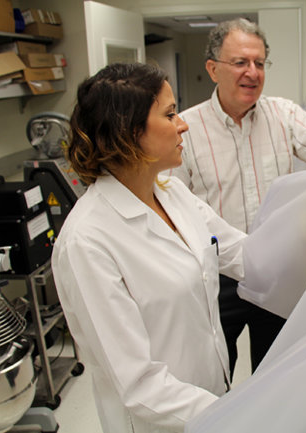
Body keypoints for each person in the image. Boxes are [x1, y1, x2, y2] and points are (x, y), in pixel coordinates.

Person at [51, 63, 246, 433]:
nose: (183, 124)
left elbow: (241, 253)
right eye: (170, 114)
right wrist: (236, 415)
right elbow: (139, 384)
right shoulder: (87, 241)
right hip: (159, 423)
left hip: (212, 401)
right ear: (128, 131)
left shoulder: (173, 194)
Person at [167, 18, 306, 376]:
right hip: (217, 276)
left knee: (275, 373)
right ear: (213, 69)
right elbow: (171, 207)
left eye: (259, 63)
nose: (253, 73)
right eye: (241, 62)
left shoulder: (284, 116)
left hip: (277, 272)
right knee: (213, 374)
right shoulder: (186, 130)